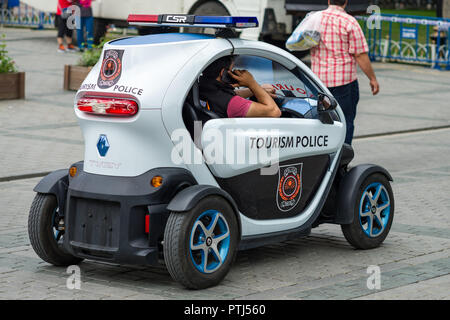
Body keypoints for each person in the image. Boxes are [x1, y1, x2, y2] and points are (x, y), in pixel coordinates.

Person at [310, 0, 379, 145]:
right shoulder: (349, 22)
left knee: (321, 122)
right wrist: (372, 78)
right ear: (346, 2)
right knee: (344, 121)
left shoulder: (314, 18)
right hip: (343, 83)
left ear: (328, 1)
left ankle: (323, 157)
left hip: (318, 82)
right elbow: (360, 54)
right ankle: (342, 159)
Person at [199, 56, 281, 118]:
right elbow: (274, 111)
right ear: (223, 73)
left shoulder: (201, 88)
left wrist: (257, 90)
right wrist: (252, 83)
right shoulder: (231, 103)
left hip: (199, 136)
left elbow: (227, 95)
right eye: (231, 70)